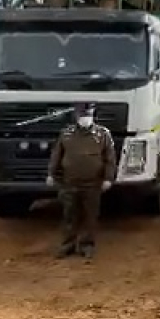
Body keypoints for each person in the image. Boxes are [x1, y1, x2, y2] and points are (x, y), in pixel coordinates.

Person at [46, 102, 116, 259]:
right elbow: (56, 155)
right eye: (82, 116)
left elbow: (110, 159)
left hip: (93, 183)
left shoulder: (103, 134)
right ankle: (68, 244)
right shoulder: (66, 134)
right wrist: (51, 174)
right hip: (70, 182)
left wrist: (108, 178)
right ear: (76, 117)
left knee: (90, 216)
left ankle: (87, 245)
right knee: (69, 214)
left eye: (88, 115)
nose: (85, 119)